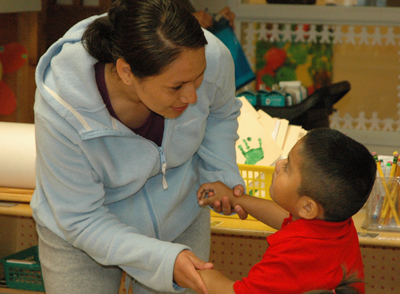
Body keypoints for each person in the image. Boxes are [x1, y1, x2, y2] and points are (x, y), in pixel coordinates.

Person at [31, 0, 246, 293]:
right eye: (176, 87)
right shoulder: (61, 108)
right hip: (85, 230)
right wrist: (164, 260)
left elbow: (221, 112)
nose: (192, 97)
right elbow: (80, 218)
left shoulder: (210, 56)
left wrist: (219, 170)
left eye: (198, 80)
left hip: (179, 212)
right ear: (126, 72)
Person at [196, 128, 376, 294]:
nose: (278, 164)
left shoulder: (290, 256)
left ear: (307, 207)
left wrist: (191, 271)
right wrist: (236, 198)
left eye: (288, 167)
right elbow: (286, 220)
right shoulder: (338, 223)